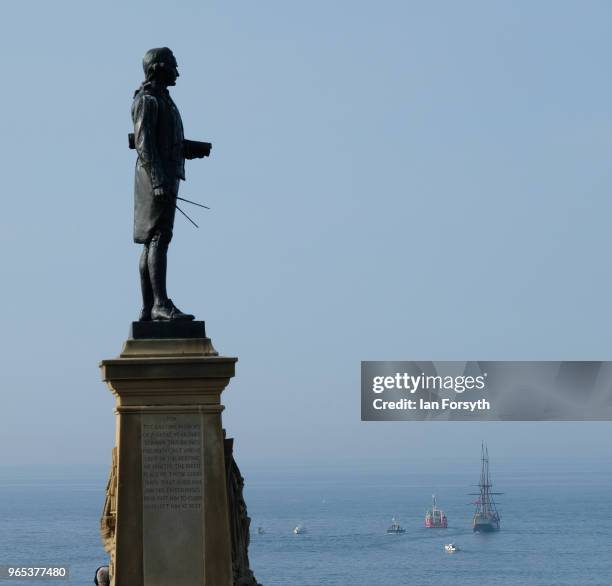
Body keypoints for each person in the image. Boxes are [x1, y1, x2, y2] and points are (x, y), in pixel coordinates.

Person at [131, 47, 210, 321]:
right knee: (157, 236)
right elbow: (144, 143)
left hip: (164, 175)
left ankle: (149, 308)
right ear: (159, 67)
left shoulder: (162, 100)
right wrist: (158, 181)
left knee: (155, 237)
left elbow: (161, 140)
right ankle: (159, 305)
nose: (177, 71)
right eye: (173, 66)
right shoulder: (148, 100)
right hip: (157, 178)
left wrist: (188, 148)